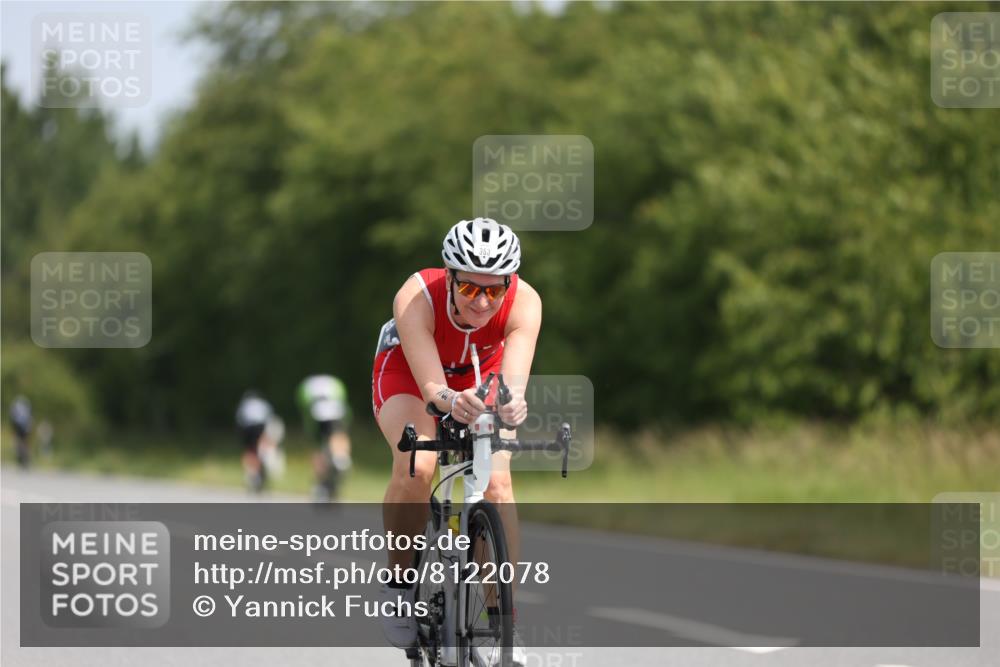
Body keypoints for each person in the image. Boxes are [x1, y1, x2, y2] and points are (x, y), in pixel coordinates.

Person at [372, 217, 540, 664]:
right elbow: (432, 391)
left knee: (498, 486)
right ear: (449, 279)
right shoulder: (415, 297)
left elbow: (513, 381)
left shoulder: (525, 302)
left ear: (509, 283)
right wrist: (449, 400)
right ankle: (400, 588)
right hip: (410, 372)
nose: (483, 302)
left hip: (481, 371)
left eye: (494, 290)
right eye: (469, 289)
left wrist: (511, 404)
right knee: (418, 466)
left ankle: (500, 622)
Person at [296, 374, 353, 501]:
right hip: (336, 410)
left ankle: (320, 481)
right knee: (340, 433)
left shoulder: (306, 386)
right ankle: (341, 457)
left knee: (317, 447)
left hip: (315, 412)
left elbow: (304, 408)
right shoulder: (335, 383)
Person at [234, 390, 274, 493]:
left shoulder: (244, 403)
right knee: (259, 449)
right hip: (260, 426)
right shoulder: (263, 403)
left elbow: (239, 419)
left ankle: (251, 473)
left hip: (247, 427)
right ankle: (259, 471)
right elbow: (270, 419)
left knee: (249, 450)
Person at [9, 395, 33, 468]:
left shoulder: (15, 404)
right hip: (26, 425)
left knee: (19, 441)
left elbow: (12, 416)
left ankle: (21, 458)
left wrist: (13, 427)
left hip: (18, 425)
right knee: (25, 442)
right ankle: (26, 458)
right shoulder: (26, 403)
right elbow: (30, 415)